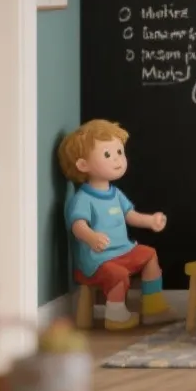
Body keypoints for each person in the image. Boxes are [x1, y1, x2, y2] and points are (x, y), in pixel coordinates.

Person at [61, 119, 170, 330]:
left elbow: (130, 215)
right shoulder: (83, 198)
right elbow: (77, 225)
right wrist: (91, 237)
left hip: (123, 251)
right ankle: (115, 316)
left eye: (119, 152)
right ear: (83, 165)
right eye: (107, 155)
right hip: (97, 261)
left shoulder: (115, 193)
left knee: (150, 255)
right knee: (117, 274)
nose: (117, 159)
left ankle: (153, 307)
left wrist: (150, 220)